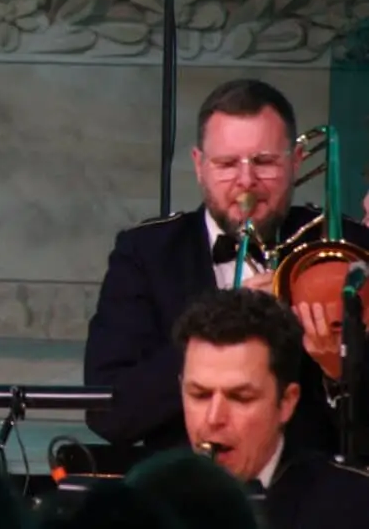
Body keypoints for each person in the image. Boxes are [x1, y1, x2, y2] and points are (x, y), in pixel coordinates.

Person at [84, 78, 369, 458]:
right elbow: (109, 416)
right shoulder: (146, 253)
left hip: (318, 486)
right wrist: (219, 325)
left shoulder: (349, 247)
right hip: (190, 487)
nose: (246, 182)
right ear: (199, 166)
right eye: (227, 164)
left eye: (264, 162)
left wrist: (338, 368)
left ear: (297, 161)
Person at [173, 288, 369, 529]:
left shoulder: (353, 506)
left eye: (240, 397)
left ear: (287, 401)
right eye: (200, 395)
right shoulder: (148, 504)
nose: (214, 418)